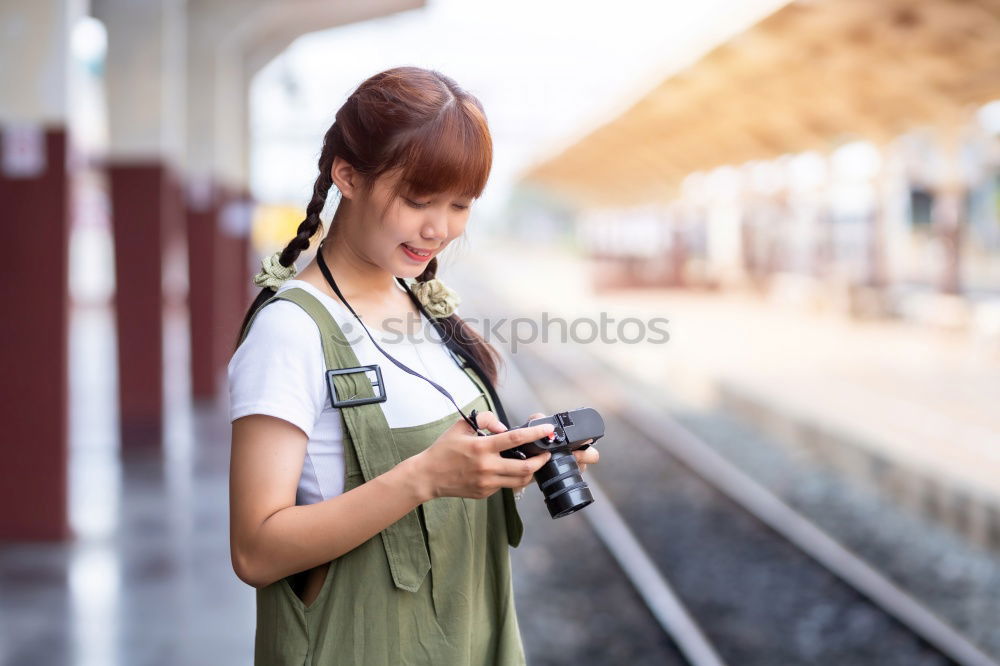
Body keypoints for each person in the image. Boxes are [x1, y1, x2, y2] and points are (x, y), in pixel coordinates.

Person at [227, 66, 599, 665]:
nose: (440, 229)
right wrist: (424, 477)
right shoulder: (289, 332)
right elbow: (254, 551)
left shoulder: (424, 309)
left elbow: (443, 490)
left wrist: (507, 459)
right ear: (346, 176)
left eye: (460, 205)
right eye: (418, 200)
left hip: (471, 637)